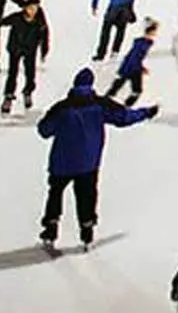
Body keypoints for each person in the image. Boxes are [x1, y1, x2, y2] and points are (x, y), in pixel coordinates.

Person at [36, 67, 158, 251]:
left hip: (61, 163)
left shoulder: (62, 107)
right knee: (87, 196)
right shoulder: (101, 105)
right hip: (88, 163)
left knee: (55, 194)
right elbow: (124, 117)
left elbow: (44, 130)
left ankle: (51, 228)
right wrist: (146, 112)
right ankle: (87, 231)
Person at [0, 0, 51, 116]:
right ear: (25, 8)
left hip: (30, 50)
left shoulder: (40, 21)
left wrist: (44, 50)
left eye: (35, 8)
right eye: (30, 8)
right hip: (15, 48)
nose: (33, 11)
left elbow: (45, 35)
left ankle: (28, 92)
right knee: (12, 73)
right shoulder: (17, 18)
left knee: (30, 73)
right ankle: (8, 97)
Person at [104, 18, 158, 106]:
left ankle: (107, 101)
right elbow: (134, 58)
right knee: (136, 90)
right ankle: (124, 106)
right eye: (155, 31)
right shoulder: (143, 44)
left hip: (129, 67)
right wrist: (140, 68)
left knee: (117, 86)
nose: (156, 33)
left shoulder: (142, 43)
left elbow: (133, 57)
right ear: (150, 31)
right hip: (132, 69)